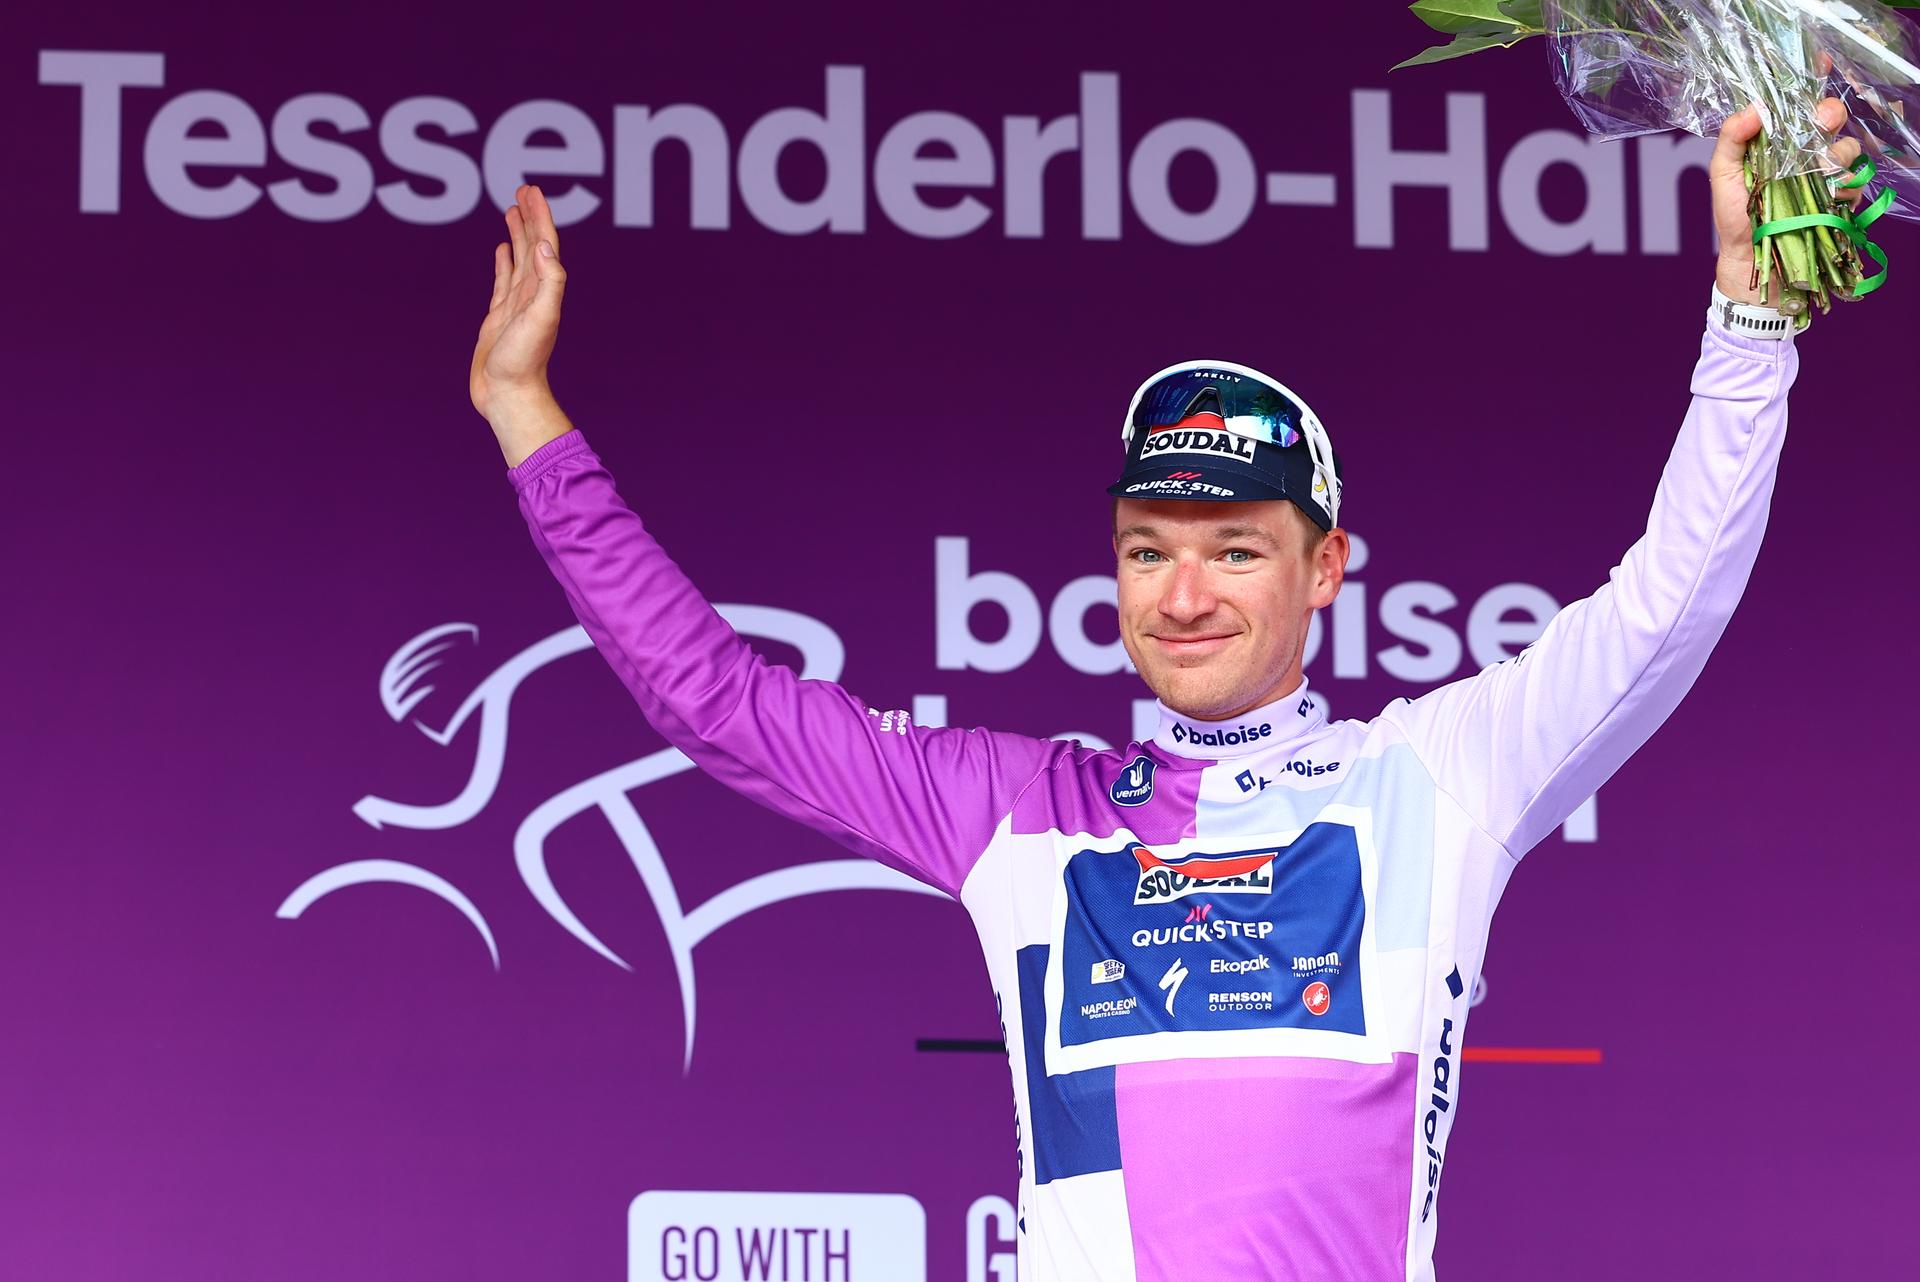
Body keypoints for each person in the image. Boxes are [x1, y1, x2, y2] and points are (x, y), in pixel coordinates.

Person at [469, 100, 1864, 1282]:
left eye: (1233, 551)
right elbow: (713, 698)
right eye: (1149, 550)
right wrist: (527, 415)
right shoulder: (1017, 809)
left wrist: (1749, 324)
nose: (1183, 596)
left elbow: (1667, 603)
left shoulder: (1439, 774)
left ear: (1326, 567)